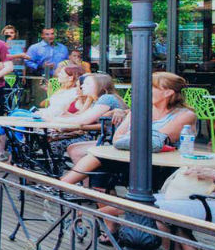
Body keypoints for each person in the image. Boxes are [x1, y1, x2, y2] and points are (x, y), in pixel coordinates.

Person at [59, 72, 196, 187]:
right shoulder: (140, 109)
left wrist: (128, 135)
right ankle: (66, 188)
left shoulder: (185, 115)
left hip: (159, 165)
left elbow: (155, 142)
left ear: (168, 93)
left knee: (98, 159)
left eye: (150, 87)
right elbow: (117, 139)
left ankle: (63, 187)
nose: (143, 90)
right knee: (98, 164)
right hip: (128, 158)